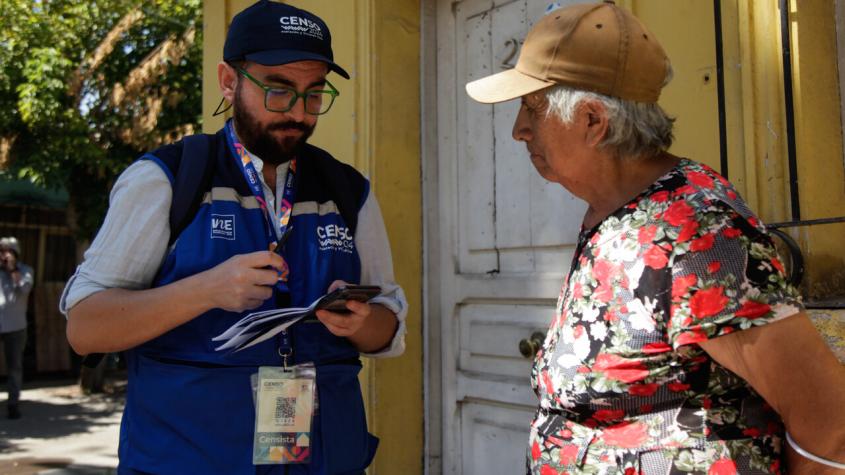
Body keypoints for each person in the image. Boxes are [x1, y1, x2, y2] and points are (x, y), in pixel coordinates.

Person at [466, 2, 845, 474]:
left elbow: (829, 419)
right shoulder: (614, 210)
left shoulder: (696, 227)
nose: (520, 130)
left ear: (591, 120)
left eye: (532, 107)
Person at [60, 1, 407, 473]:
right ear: (229, 81)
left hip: (324, 460)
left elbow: (387, 325)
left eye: (313, 94)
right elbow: (85, 328)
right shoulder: (166, 179)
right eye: (278, 91)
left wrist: (360, 322)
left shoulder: (348, 191)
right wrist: (205, 290)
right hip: (188, 459)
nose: (298, 114)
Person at [0, 237, 33, 420]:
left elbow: (25, 289)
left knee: (14, 367)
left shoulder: (26, 271)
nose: (4, 255)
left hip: (16, 326)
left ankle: (13, 404)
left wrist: (12, 269)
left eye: (7, 251)